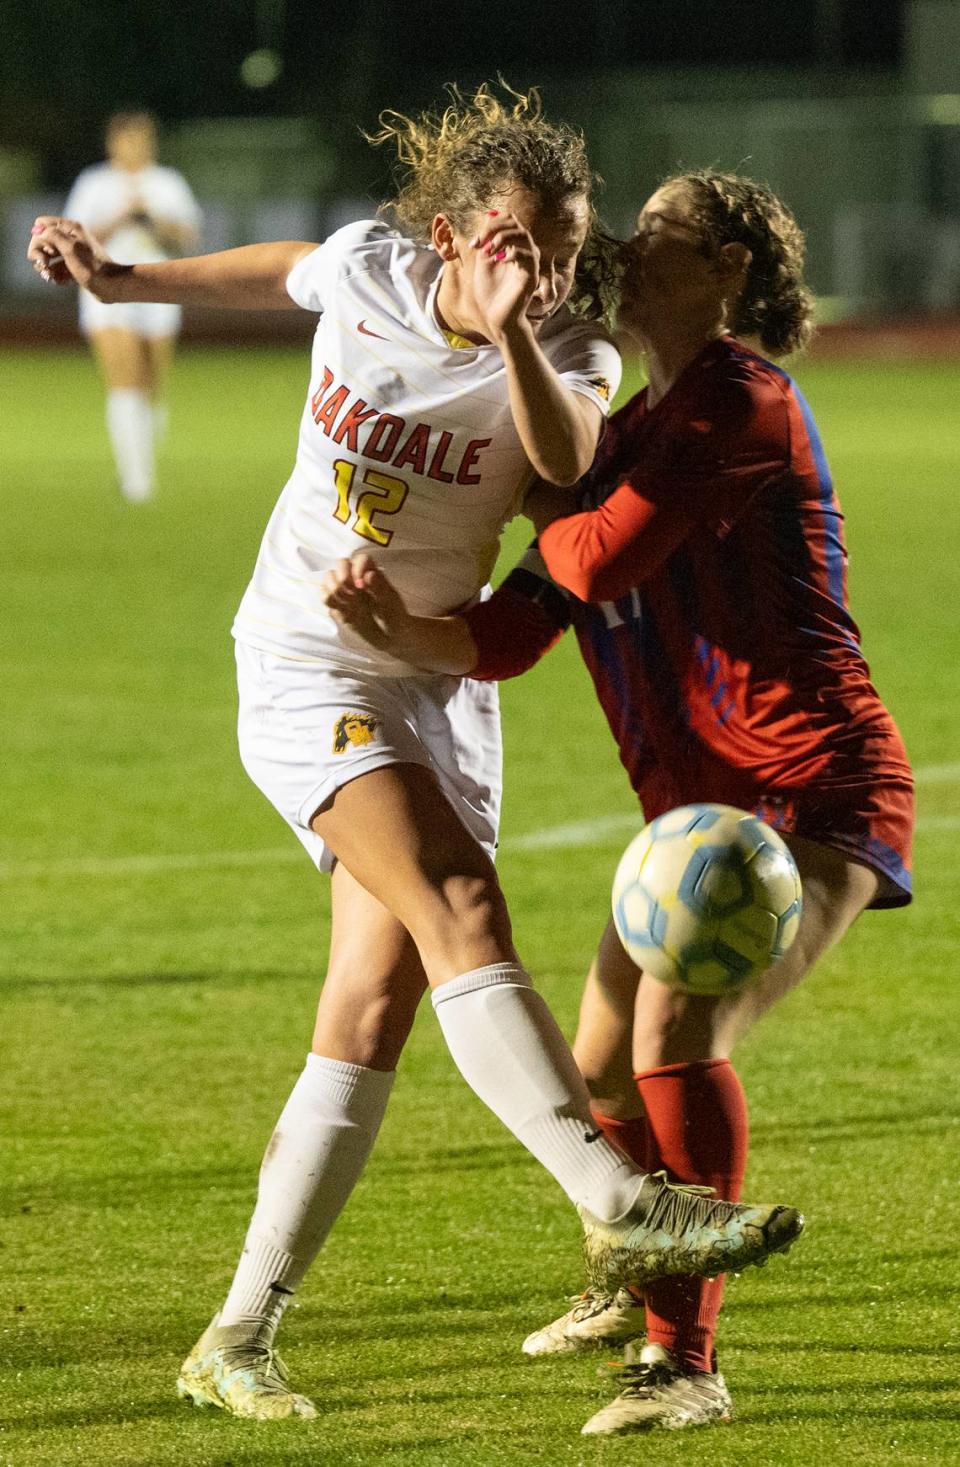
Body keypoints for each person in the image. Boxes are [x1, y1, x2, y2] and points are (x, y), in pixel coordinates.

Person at [30, 105, 803, 1425]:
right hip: (303, 666)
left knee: (373, 1003)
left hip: (434, 689)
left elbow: (562, 451)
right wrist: (126, 280)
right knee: (457, 903)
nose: (546, 271)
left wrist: (513, 324)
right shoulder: (371, 269)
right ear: (444, 234)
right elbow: (279, 268)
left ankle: (237, 1330)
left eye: (562, 250)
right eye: (515, 245)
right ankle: (620, 1200)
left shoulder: (567, 344)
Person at [320, 169, 913, 1436]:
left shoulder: (740, 406)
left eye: (669, 232)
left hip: (807, 789)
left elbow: (579, 566)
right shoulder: (637, 428)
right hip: (696, 814)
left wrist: (471, 572)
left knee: (673, 1040)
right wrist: (414, 613)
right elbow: (527, 606)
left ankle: (683, 1362)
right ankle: (633, 1265)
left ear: (734, 272)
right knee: (592, 1070)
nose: (634, 247)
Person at [63, 111, 202, 502]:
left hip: (159, 289)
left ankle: (142, 464)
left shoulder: (167, 182)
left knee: (153, 384)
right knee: (124, 378)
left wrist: (151, 219)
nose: (135, 147)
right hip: (107, 291)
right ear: (113, 143)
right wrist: (120, 216)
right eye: (127, 139)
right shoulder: (94, 183)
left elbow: (188, 237)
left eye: (142, 139)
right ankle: (136, 481)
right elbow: (76, 239)